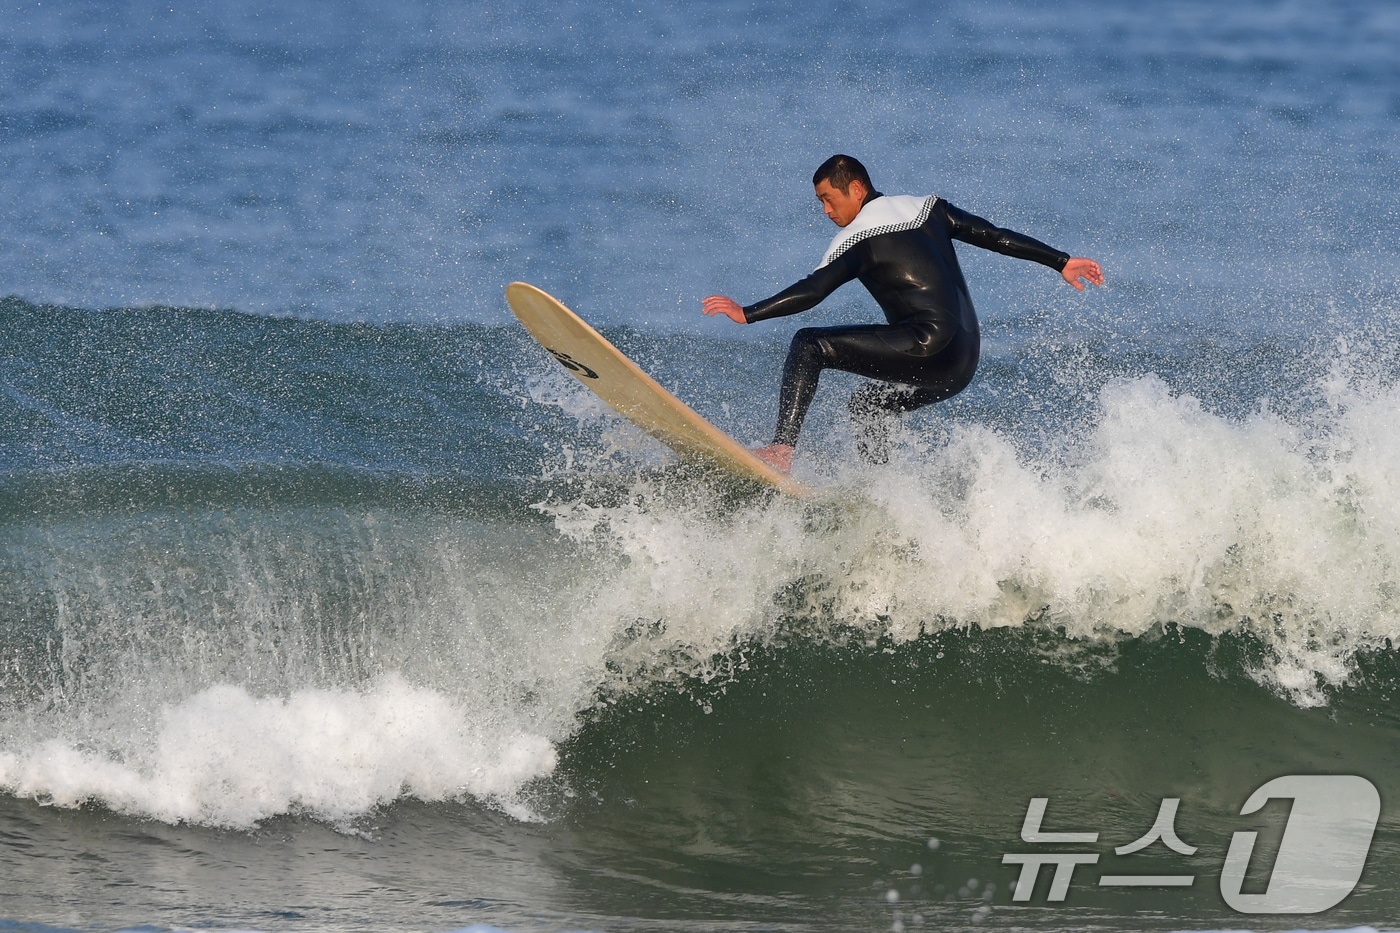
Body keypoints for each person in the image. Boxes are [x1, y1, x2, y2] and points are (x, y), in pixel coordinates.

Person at [702, 154, 1103, 472]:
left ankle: (781, 449)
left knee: (809, 344)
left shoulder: (858, 238)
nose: (825, 211)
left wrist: (747, 313)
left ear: (856, 188)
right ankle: (882, 487)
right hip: (963, 359)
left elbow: (813, 290)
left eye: (828, 199)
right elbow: (994, 235)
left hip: (928, 348)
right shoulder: (929, 208)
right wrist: (1060, 261)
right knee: (867, 407)